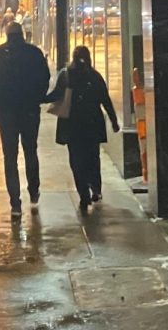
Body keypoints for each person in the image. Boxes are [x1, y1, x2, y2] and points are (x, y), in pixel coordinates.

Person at [0, 20, 50, 219]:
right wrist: (37, 97)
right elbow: (44, 78)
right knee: (30, 149)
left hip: (5, 112)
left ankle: (15, 201)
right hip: (29, 109)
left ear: (7, 34)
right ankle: (34, 190)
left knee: (10, 155)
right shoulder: (34, 53)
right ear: (22, 34)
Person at [46, 44, 119, 213]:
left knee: (76, 159)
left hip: (73, 124)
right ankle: (96, 188)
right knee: (93, 157)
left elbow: (56, 95)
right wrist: (114, 121)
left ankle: (83, 193)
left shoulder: (66, 75)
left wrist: (36, 98)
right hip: (92, 123)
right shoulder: (95, 76)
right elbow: (105, 100)